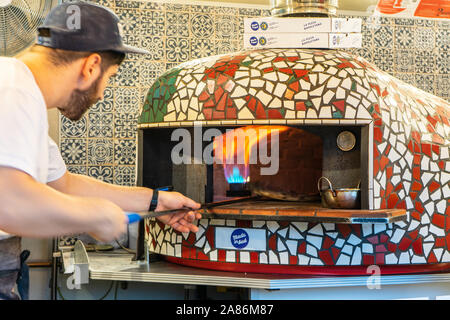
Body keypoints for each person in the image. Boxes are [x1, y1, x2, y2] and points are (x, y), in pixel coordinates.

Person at [0, 2, 201, 299]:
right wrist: (92, 216)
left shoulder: (21, 94)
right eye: (111, 76)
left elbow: (65, 185)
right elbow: (9, 203)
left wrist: (156, 201)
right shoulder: (12, 89)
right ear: (91, 66)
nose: (102, 92)